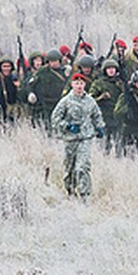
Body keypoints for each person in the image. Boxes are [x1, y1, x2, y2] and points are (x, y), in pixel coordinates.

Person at [52, 72, 105, 200]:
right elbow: (55, 118)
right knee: (69, 169)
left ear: (85, 85)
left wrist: (100, 127)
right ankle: (70, 192)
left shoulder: (90, 101)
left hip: (85, 138)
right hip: (70, 139)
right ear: (72, 84)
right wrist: (67, 125)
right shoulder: (65, 101)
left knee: (82, 167)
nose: (79, 86)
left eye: (81, 83)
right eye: (76, 83)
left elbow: (96, 115)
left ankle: (84, 196)